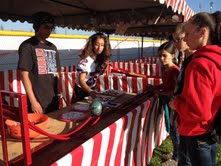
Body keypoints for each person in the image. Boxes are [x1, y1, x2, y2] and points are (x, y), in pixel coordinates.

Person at [170, 11, 221, 166]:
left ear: (202, 32)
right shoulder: (216, 58)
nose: (184, 38)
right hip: (213, 129)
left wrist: (176, 104)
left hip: (197, 133)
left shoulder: (199, 64)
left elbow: (198, 111)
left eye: (188, 33)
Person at [18, 11, 61, 114]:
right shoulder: (27, 46)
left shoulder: (53, 47)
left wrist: (59, 94)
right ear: (37, 26)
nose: (49, 30)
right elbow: (24, 75)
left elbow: (57, 74)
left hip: (53, 100)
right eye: (46, 27)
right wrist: (33, 101)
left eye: (51, 28)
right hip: (38, 101)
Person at [152, 41, 180, 162]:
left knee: (175, 129)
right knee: (172, 129)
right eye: (160, 56)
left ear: (173, 55)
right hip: (168, 101)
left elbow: (175, 91)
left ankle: (178, 156)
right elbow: (167, 85)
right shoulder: (164, 69)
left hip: (174, 103)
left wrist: (160, 92)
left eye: (164, 56)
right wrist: (156, 88)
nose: (161, 58)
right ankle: (177, 153)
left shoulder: (175, 71)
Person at [172, 22, 196, 166]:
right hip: (183, 116)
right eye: (174, 39)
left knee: (187, 159)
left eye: (178, 39)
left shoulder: (194, 61)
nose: (176, 43)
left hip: (191, 121)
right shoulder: (186, 59)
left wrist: (176, 103)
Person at [71, 32, 111, 103]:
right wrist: (90, 92)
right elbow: (81, 80)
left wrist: (105, 66)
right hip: (81, 91)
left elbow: (99, 74)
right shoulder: (86, 61)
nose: (99, 48)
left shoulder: (99, 59)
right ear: (92, 45)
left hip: (92, 88)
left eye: (102, 45)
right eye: (97, 44)